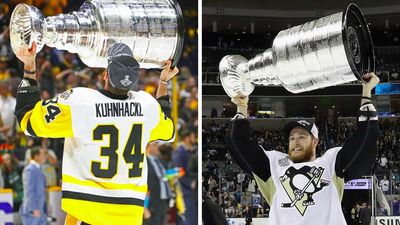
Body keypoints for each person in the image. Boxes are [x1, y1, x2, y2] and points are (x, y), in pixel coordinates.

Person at [14, 42, 179, 225]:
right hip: (129, 216)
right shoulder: (147, 106)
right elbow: (168, 129)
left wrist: (29, 67)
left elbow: (28, 121)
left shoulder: (79, 102)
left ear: (105, 75)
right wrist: (163, 82)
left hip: (87, 212)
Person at [225, 73, 380, 225]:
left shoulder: (330, 164)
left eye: (301, 137)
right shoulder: (274, 165)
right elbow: (238, 144)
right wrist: (242, 106)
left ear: (315, 141)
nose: (295, 142)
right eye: (292, 138)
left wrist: (366, 93)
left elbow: (364, 143)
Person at [172, 129, 197, 225]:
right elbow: (178, 172)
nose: (194, 138)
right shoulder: (179, 152)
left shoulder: (190, 151)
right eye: (192, 136)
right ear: (186, 138)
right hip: (185, 190)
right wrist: (190, 182)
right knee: (190, 218)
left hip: (191, 191)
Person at [143, 142, 172, 225]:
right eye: (155, 145)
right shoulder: (144, 162)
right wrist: (145, 207)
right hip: (152, 205)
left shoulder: (159, 160)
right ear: (148, 147)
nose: (157, 147)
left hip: (163, 201)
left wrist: (175, 173)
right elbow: (143, 186)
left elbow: (163, 176)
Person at [19, 147, 47, 225]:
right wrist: (33, 208)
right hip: (33, 211)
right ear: (36, 156)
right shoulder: (30, 170)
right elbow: (29, 191)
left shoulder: (38, 168)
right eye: (42, 154)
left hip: (40, 209)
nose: (45, 156)